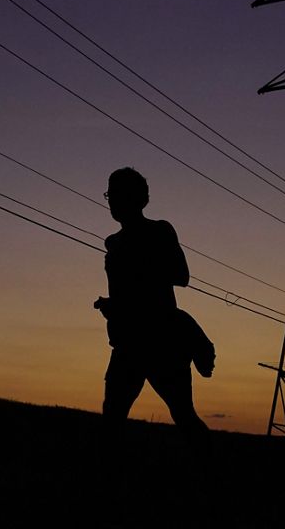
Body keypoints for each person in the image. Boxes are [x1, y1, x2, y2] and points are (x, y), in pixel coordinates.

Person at [95, 167, 209, 440]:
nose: (112, 201)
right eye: (110, 194)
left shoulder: (160, 231)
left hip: (162, 342)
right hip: (127, 343)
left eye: (118, 195)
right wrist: (112, 305)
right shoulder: (113, 243)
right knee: (112, 417)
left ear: (138, 199)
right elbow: (128, 293)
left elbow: (181, 276)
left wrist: (140, 276)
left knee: (183, 415)